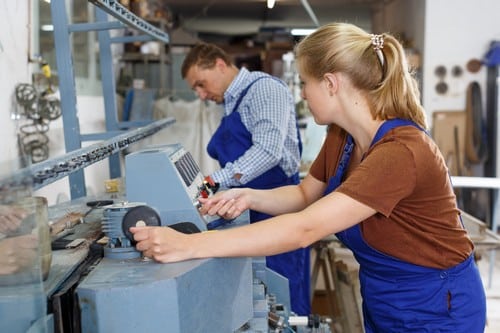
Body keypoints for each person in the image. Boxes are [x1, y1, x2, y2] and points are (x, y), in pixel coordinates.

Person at [131, 22, 487, 332]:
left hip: (436, 304)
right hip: (384, 294)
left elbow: (305, 228)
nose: (301, 93)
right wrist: (249, 196)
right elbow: (304, 195)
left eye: (304, 83)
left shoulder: (401, 152)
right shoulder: (342, 137)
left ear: (331, 84)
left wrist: (189, 245)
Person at [179, 42, 310, 315]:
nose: (201, 95)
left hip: (278, 211)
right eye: (195, 90)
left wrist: (214, 181)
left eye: (201, 84)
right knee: (258, 301)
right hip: (248, 208)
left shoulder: (263, 89)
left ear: (219, 64)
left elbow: (267, 152)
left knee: (283, 298)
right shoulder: (232, 102)